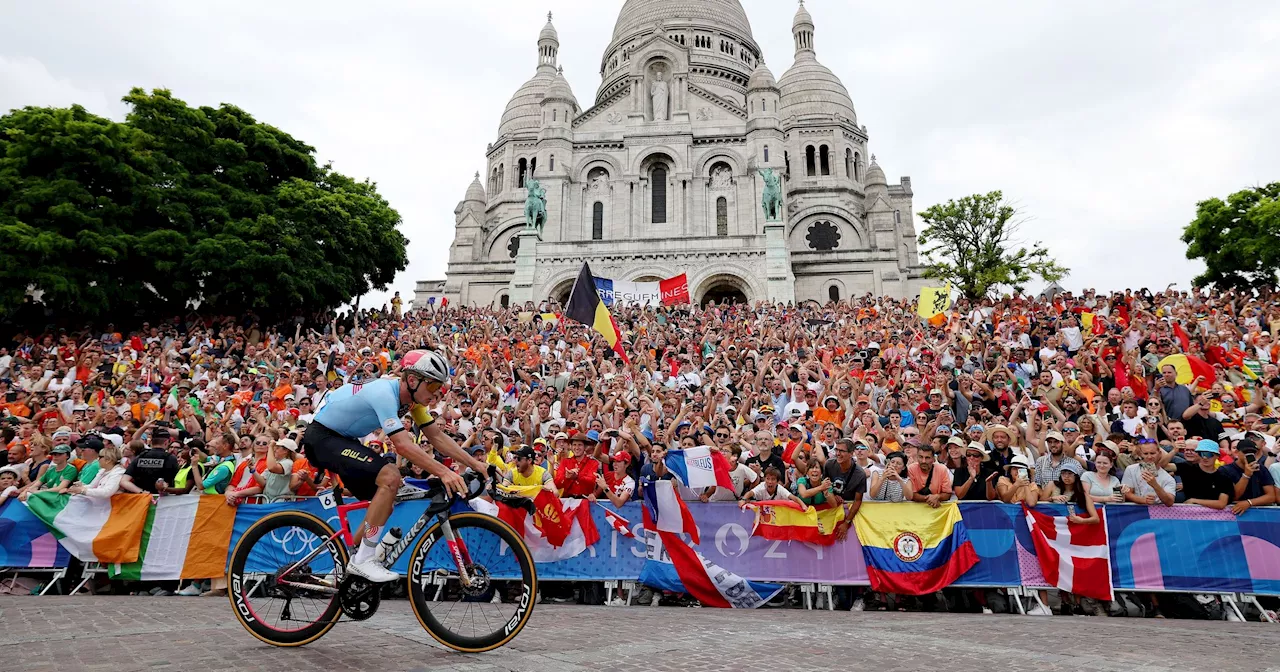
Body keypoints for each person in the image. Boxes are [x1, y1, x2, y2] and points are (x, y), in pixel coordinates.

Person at [302, 349, 486, 582]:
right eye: (432, 386)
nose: (437, 393)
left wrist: (475, 464)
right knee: (390, 476)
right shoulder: (384, 393)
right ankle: (364, 560)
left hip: (343, 439)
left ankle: (349, 562)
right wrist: (444, 472)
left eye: (440, 387)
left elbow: (436, 437)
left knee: (388, 496)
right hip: (322, 438)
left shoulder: (412, 402)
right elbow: (403, 446)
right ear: (412, 380)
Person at [1172, 439, 1233, 510]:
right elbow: (1161, 465)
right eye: (1201, 454)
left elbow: (1221, 503)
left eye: (1209, 454)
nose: (1205, 457)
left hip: (1214, 518)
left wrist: (1194, 501)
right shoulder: (1187, 467)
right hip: (1189, 515)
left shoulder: (1224, 477)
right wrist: (1174, 451)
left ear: (1217, 456)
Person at [1120, 442, 1175, 506]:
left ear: (1160, 454)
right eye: (1146, 453)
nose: (1149, 457)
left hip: (1157, 512)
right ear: (1141, 455)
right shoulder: (1131, 469)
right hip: (1135, 510)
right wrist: (1143, 500)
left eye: (1152, 453)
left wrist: (1155, 485)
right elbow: (1127, 493)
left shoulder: (1168, 478)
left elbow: (1169, 502)